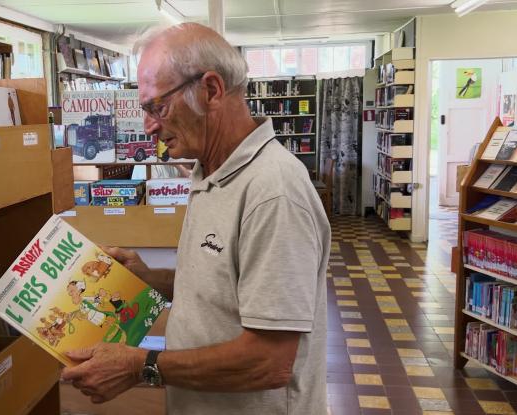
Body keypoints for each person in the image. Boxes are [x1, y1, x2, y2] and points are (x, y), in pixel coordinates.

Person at [62, 22, 331, 415]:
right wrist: (149, 278)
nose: (150, 125)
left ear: (211, 91)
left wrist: (142, 367)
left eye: (158, 107)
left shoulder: (274, 192)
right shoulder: (209, 171)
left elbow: (269, 361)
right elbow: (226, 291)